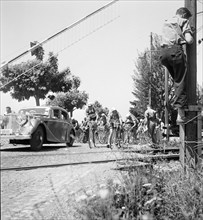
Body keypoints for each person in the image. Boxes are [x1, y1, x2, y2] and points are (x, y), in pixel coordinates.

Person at [160, 7, 194, 123]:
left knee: (176, 80)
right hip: (175, 52)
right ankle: (180, 115)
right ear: (184, 14)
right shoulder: (183, 21)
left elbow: (173, 37)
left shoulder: (166, 22)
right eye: (188, 17)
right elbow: (189, 40)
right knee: (180, 81)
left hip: (163, 54)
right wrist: (191, 36)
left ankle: (178, 109)